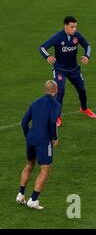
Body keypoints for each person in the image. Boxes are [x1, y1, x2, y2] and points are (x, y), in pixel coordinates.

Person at [39, 16, 96, 126]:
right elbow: (42, 47)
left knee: (82, 89)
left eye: (75, 27)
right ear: (65, 26)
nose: (74, 29)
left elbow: (87, 45)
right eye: (72, 27)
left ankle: (84, 108)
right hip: (60, 69)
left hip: (74, 69)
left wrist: (86, 56)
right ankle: (57, 116)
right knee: (60, 92)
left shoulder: (76, 36)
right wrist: (48, 57)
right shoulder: (57, 37)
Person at [16, 80, 61, 210]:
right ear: (55, 90)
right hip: (43, 141)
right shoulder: (55, 104)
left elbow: (24, 122)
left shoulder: (35, 102)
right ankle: (33, 200)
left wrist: (29, 137)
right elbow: (53, 121)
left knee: (29, 165)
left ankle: (20, 194)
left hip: (31, 139)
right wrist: (54, 138)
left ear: (45, 90)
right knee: (45, 169)